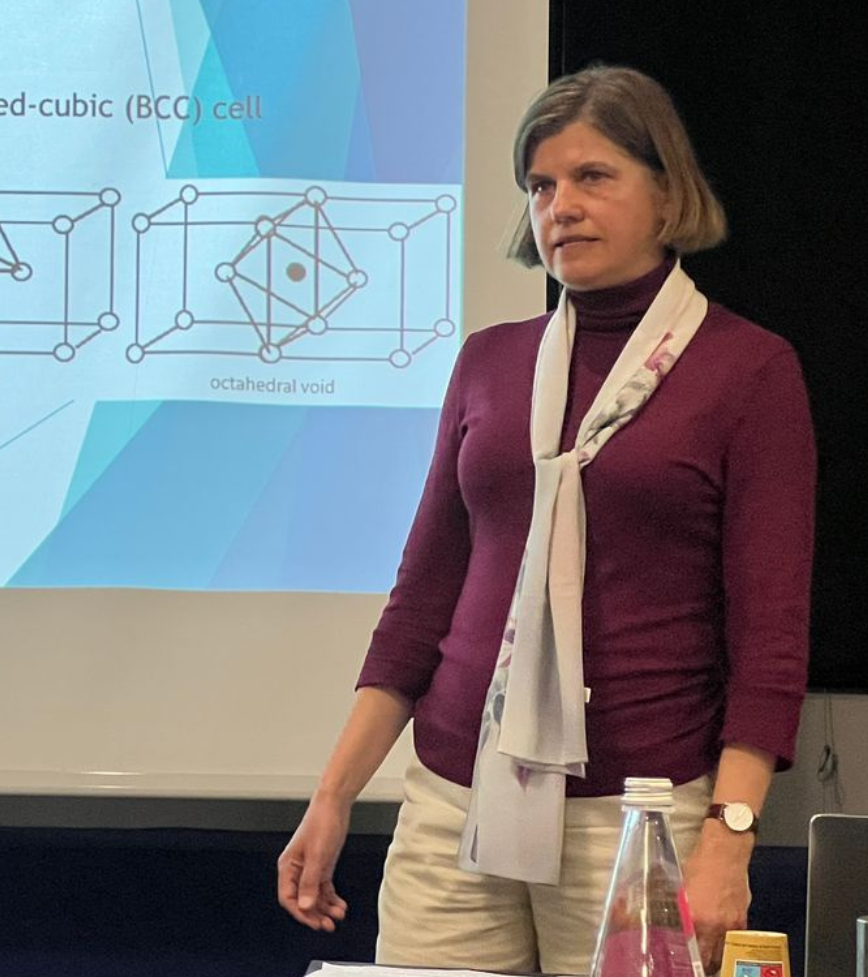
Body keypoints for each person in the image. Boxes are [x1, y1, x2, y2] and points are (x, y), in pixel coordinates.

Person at [275, 66, 815, 975]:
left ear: (666, 192)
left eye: (591, 176)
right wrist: (332, 796)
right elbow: (420, 602)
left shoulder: (747, 371)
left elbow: (770, 636)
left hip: (637, 812)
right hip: (455, 798)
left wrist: (729, 835)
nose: (559, 205)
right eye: (539, 185)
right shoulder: (489, 361)